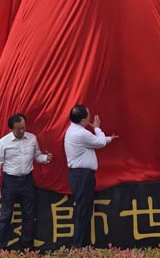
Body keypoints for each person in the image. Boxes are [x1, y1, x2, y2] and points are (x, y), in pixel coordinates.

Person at [0, 113, 53, 251]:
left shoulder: (32, 138)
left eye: (24, 127)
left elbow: (37, 155)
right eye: (19, 129)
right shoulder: (3, 142)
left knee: (29, 215)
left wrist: (46, 158)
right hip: (10, 181)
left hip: (27, 181)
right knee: (6, 215)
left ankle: (27, 248)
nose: (22, 130)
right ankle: (1, 249)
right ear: (11, 129)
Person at [64, 104, 118, 247]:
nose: (90, 118)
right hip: (82, 176)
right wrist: (97, 128)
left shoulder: (73, 130)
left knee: (84, 210)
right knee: (83, 211)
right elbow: (99, 142)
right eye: (88, 116)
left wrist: (109, 138)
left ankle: (82, 245)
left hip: (79, 175)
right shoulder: (81, 133)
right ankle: (79, 246)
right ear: (82, 120)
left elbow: (94, 142)